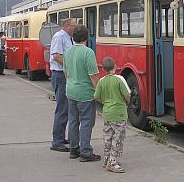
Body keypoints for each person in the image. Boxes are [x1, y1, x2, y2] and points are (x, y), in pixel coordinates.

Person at [64, 24, 100, 162]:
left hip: (71, 91)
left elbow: (65, 72)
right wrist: (99, 92)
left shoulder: (68, 51)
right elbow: (93, 75)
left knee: (73, 121)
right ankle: (85, 151)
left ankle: (74, 149)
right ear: (86, 37)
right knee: (86, 122)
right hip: (85, 93)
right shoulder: (88, 52)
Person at [94, 57, 131, 173]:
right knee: (118, 138)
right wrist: (126, 102)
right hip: (119, 113)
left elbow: (96, 96)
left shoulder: (101, 81)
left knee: (108, 136)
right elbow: (127, 94)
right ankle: (113, 162)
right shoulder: (119, 79)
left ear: (103, 69)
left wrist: (105, 102)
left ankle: (106, 159)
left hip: (107, 113)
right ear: (115, 66)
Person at [49, 18, 77, 152]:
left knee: (66, 108)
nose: (75, 28)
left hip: (64, 75)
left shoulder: (67, 37)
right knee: (62, 108)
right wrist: (70, 67)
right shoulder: (59, 37)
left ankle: (60, 137)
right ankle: (57, 141)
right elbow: (56, 56)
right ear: (66, 26)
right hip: (60, 75)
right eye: (73, 26)